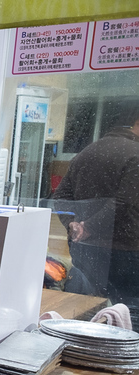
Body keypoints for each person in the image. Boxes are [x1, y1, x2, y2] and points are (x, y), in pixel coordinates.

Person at [52, 110, 139, 303]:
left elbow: (61, 195)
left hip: (84, 249)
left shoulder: (88, 151)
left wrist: (74, 225)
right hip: (124, 251)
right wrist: (88, 227)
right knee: (126, 311)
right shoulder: (136, 155)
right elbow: (124, 203)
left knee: (86, 305)